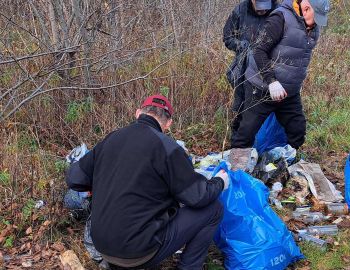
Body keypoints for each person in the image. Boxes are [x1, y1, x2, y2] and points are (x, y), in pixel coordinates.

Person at [66, 94, 229, 270]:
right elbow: (199, 197)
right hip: (137, 253)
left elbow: (74, 178)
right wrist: (220, 181)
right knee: (214, 209)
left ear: (138, 113)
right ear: (168, 123)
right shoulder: (168, 148)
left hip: (102, 245)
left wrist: (99, 184)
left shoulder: (111, 139)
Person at [231, 0, 330, 149]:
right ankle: (236, 169)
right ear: (306, 8)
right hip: (261, 89)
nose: (316, 24)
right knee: (246, 134)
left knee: (297, 131)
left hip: (289, 92)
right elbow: (259, 50)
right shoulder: (280, 18)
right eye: (316, 18)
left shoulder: (314, 27)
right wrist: (271, 81)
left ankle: (286, 164)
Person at [223, 0, 279, 145]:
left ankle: (266, 146)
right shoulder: (241, 10)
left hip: (270, 69)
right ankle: (237, 147)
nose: (263, 11)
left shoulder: (278, 10)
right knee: (243, 109)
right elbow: (227, 37)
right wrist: (240, 45)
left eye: (265, 6)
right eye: (259, 6)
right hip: (244, 69)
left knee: (269, 109)